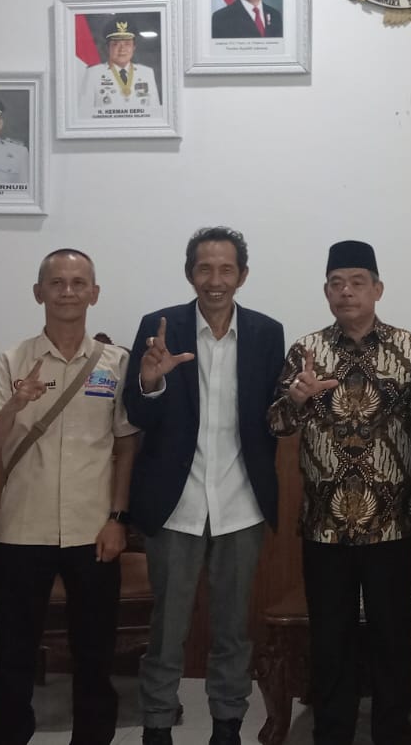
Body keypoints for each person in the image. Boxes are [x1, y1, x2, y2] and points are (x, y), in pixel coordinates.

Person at [266, 240, 411, 745]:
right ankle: (332, 732)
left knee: (392, 636)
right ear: (326, 292)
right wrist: (296, 398)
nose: (346, 292)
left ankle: (393, 733)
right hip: (325, 524)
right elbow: (275, 423)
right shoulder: (306, 351)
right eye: (336, 284)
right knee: (329, 637)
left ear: (377, 289)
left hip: (392, 522)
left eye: (357, 282)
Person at [124, 227, 285, 745]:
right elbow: (137, 412)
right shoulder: (159, 327)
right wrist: (152, 380)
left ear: (242, 275)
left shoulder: (266, 333)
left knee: (233, 627)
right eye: (204, 268)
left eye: (226, 269)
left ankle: (227, 725)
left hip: (241, 502)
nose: (215, 280)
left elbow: (273, 416)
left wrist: (298, 402)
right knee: (167, 628)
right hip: (177, 503)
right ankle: (156, 724)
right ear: (190, 272)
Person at [0, 249, 139, 745]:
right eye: (57, 282)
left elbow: (125, 446)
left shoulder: (116, 363)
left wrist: (117, 517)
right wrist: (15, 403)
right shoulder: (10, 361)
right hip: (22, 530)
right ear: (38, 292)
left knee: (94, 656)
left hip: (94, 531)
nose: (68, 291)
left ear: (94, 293)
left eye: (78, 282)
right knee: (14, 656)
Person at [79, 15, 162, 117]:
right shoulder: (93, 74)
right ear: (108, 47)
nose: (122, 49)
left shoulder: (147, 73)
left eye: (127, 44)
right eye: (116, 44)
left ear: (134, 47)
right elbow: (84, 113)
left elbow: (155, 112)